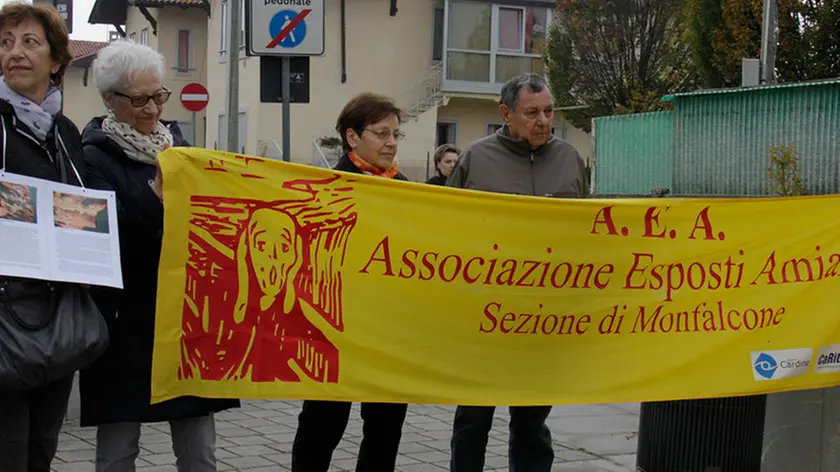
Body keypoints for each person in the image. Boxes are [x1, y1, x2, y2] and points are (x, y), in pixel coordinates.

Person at [78, 40, 239, 472]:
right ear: (110, 101)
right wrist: (157, 203)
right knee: (118, 449)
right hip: (124, 322)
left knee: (200, 451)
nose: (152, 109)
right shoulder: (92, 157)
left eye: (158, 96)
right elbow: (108, 240)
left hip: (186, 318)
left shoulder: (181, 148)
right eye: (139, 99)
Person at [446, 73, 589, 472]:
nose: (543, 121)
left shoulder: (570, 159)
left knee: (532, 421)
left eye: (548, 111)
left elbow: (586, 234)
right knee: (473, 420)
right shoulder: (475, 160)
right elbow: (445, 230)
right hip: (484, 315)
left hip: (543, 317)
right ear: (506, 114)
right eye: (532, 113)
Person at [290, 92, 409, 472]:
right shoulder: (328, 186)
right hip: (333, 326)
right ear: (352, 137)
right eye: (381, 133)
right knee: (322, 426)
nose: (391, 143)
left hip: (389, 330)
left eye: (396, 134)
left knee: (385, 429)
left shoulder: (408, 188)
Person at [0, 3, 89, 471]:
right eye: (7, 42)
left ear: (56, 61)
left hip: (57, 319)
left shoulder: (66, 133)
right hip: (4, 317)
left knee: (42, 449)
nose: (16, 52)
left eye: (30, 42)